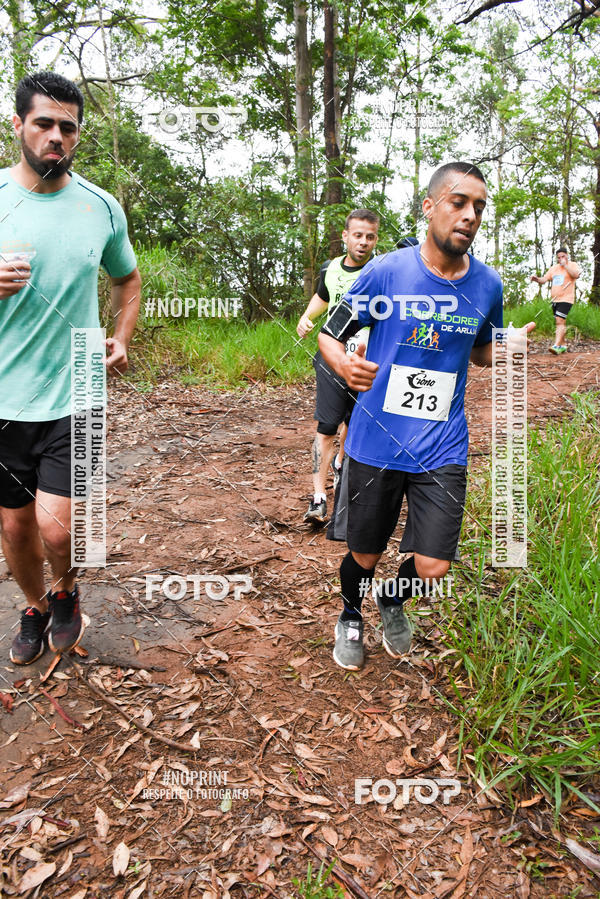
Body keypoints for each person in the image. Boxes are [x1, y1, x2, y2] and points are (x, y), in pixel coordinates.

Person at [318, 161, 535, 670]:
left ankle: (391, 598)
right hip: (377, 438)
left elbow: (482, 352)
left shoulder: (487, 286)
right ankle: (350, 613)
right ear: (430, 207)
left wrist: (509, 346)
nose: (470, 215)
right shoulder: (387, 271)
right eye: (459, 202)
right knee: (365, 554)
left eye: (479, 207)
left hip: (442, 442)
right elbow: (330, 332)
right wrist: (343, 362)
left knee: (435, 565)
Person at [1, 72, 141, 665]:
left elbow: (127, 279)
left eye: (68, 127)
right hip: (6, 392)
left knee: (58, 529)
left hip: (80, 383)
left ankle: (67, 593)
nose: (56, 136)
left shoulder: (100, 206)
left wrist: (120, 335)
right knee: (15, 529)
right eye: (44, 124)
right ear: (18, 126)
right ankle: (36, 603)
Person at [296, 209, 379, 524]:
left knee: (355, 423)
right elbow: (323, 296)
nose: (363, 242)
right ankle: (318, 498)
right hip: (332, 358)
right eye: (357, 235)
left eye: (370, 237)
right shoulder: (330, 269)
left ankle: (341, 466)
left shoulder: (381, 271)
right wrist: (307, 317)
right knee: (326, 426)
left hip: (368, 362)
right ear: (345, 236)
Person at [531, 247, 580, 354]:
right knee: (560, 321)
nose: (561, 259)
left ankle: (556, 345)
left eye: (563, 256)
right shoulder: (554, 268)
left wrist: (565, 265)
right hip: (555, 300)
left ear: (567, 255)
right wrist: (537, 279)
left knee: (559, 320)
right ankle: (563, 345)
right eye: (559, 257)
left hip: (566, 299)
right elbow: (544, 279)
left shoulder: (572, 265)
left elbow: (576, 275)